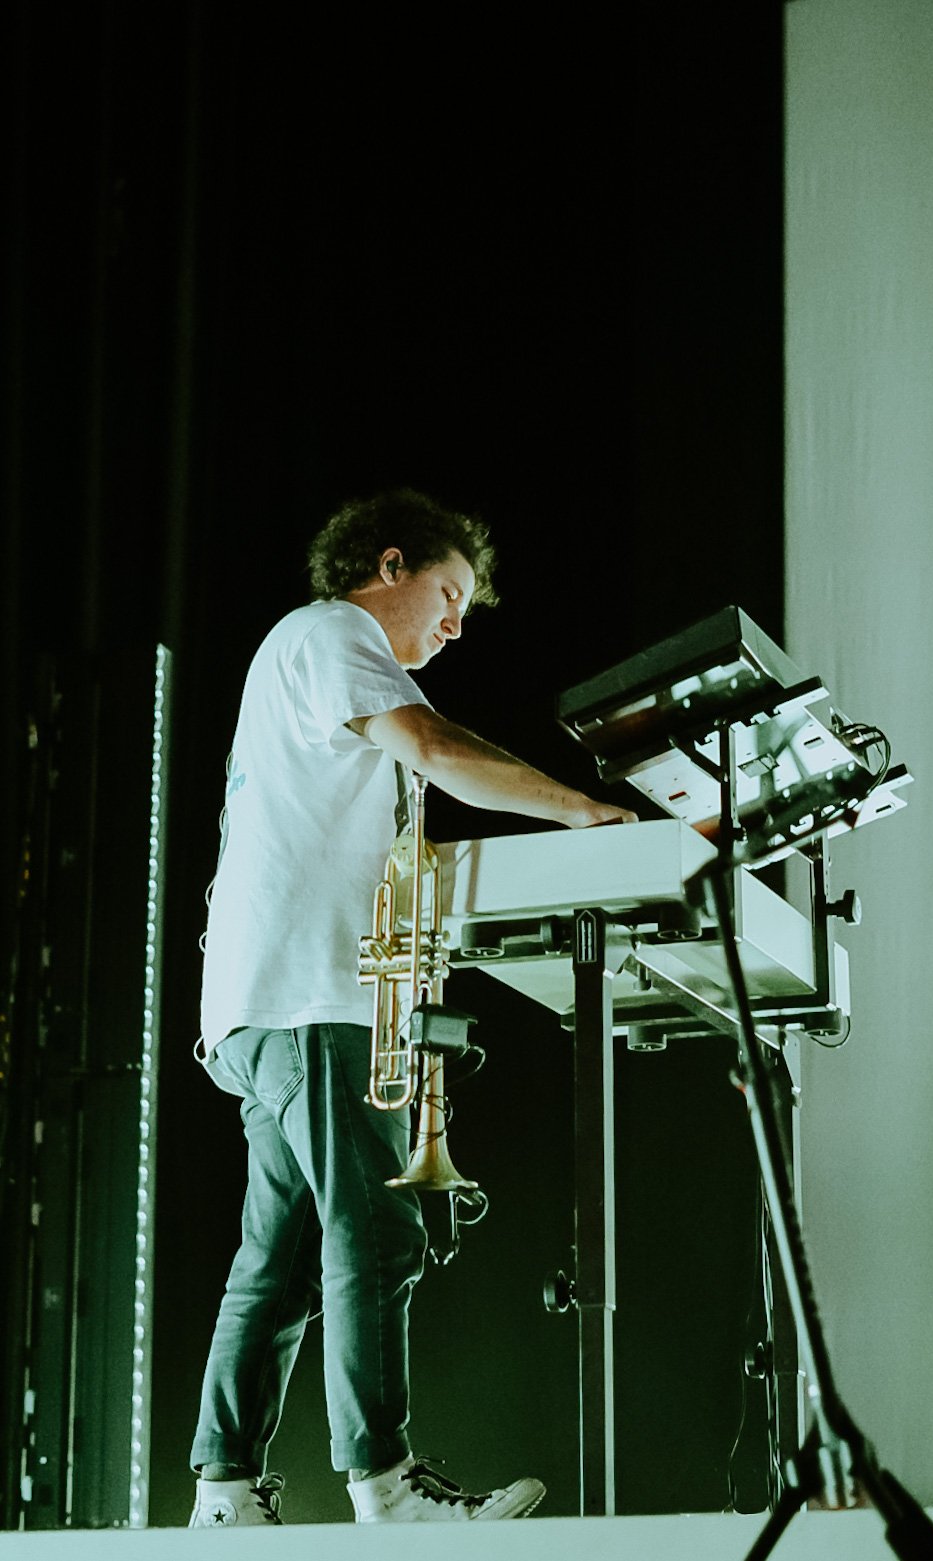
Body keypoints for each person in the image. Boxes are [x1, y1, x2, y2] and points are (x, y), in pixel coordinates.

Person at [188, 488, 636, 1527]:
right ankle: (385, 1487)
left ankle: (223, 1494)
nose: (453, 624)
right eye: (447, 594)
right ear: (388, 566)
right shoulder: (335, 631)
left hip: (267, 1001)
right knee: (376, 1231)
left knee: (283, 1250)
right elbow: (437, 749)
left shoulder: (300, 662)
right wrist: (580, 810)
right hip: (309, 996)